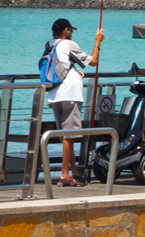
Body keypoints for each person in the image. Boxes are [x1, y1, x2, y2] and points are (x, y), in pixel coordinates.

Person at [46, 18, 104, 187]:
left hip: (54, 93)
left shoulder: (49, 45)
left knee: (66, 137)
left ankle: (74, 172)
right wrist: (97, 41)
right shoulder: (68, 44)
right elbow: (93, 61)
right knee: (69, 136)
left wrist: (74, 70)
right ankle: (64, 174)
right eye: (70, 30)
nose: (71, 33)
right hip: (70, 94)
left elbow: (60, 64)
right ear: (66, 30)